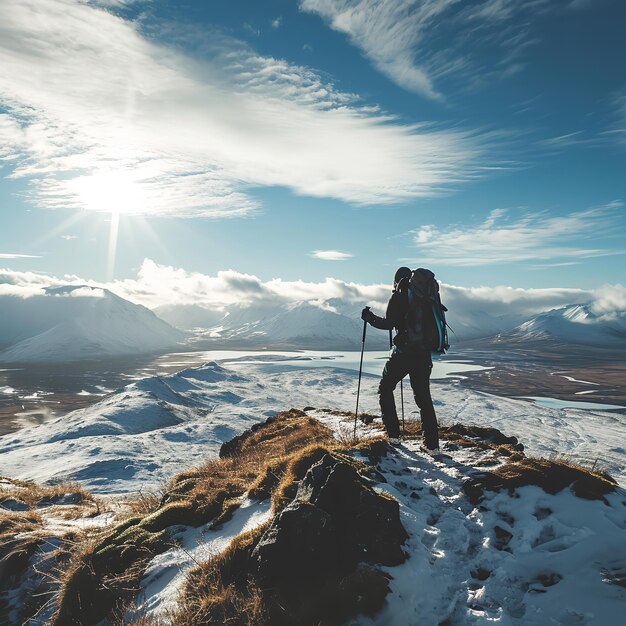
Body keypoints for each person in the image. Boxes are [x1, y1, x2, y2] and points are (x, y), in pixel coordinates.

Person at [361, 266, 440, 454]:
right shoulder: (429, 296)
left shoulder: (399, 295)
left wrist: (369, 318)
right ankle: (432, 446)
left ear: (397, 281)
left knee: (386, 387)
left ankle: (394, 435)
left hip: (404, 353)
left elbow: (389, 323)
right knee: (424, 399)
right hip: (424, 354)